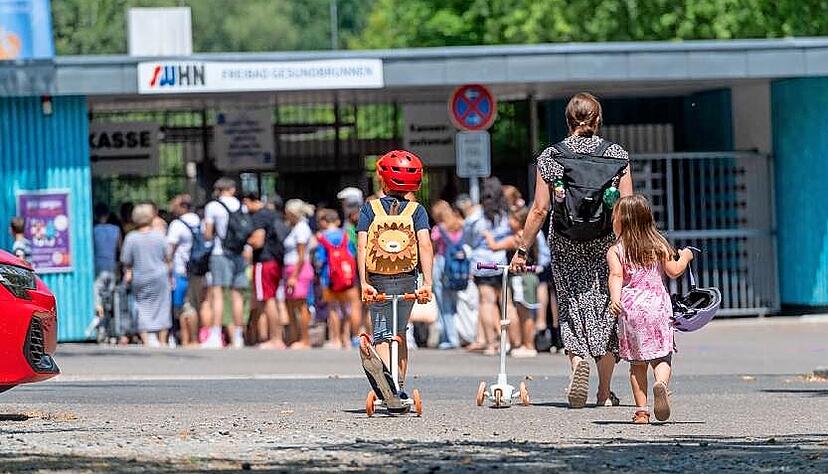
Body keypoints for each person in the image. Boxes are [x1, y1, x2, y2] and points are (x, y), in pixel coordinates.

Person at [513, 92, 633, 409]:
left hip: (565, 240)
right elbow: (626, 208)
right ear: (598, 119)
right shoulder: (617, 155)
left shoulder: (552, 156)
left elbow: (539, 209)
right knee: (606, 308)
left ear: (568, 120)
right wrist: (627, 247)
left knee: (571, 305)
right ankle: (604, 392)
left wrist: (522, 250)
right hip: (605, 242)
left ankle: (577, 360)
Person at [607, 195, 693, 424]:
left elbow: (616, 276)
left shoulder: (616, 250)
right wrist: (685, 256)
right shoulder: (659, 244)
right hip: (658, 306)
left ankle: (641, 412)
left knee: (637, 364)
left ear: (622, 221)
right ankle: (661, 385)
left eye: (614, 216)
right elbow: (674, 271)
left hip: (632, 308)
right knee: (662, 356)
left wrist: (615, 299)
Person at [358, 150, 433, 396]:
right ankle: (399, 386)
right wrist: (427, 283)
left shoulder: (370, 209)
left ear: (382, 179)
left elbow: (362, 245)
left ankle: (385, 383)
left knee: (381, 334)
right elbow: (424, 244)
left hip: (378, 278)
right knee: (400, 332)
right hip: (407, 278)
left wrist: (364, 282)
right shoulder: (417, 211)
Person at [466, 177, 516, 355]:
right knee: (506, 303)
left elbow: (468, 239)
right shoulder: (506, 214)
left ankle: (491, 343)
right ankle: (511, 341)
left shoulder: (476, 215)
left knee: (486, 303)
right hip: (501, 261)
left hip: (481, 262)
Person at [483, 206, 538, 358]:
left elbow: (494, 246)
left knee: (523, 311)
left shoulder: (519, 237)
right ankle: (524, 344)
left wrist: (487, 235)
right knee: (524, 310)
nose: (509, 221)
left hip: (522, 277)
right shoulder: (529, 236)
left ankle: (528, 345)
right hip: (527, 277)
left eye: (512, 219)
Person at [203, 178, 249, 349]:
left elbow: (207, 234)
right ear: (232, 189)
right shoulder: (240, 205)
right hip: (238, 253)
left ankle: (216, 334)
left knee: (218, 294)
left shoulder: (213, 207)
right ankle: (238, 336)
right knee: (237, 296)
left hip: (220, 252)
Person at [120, 203, 172, 347]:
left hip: (140, 276)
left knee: (141, 306)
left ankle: (147, 340)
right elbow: (168, 257)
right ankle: (162, 340)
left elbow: (126, 260)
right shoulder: (159, 236)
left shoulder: (131, 238)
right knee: (163, 306)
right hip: (160, 276)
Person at [243, 192, 289, 350]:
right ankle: (272, 336)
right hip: (275, 261)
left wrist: (244, 239)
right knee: (271, 299)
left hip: (264, 261)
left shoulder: (259, 217)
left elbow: (258, 241)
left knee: (267, 300)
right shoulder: (273, 215)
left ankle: (275, 339)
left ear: (249, 201)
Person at [315, 208, 360, 349]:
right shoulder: (345, 235)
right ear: (337, 221)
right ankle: (346, 337)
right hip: (347, 277)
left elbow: (319, 260)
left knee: (333, 308)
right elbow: (352, 254)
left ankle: (335, 339)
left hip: (329, 279)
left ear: (325, 222)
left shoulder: (322, 237)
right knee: (346, 307)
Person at [430, 200, 466, 349]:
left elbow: (431, 248)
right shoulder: (460, 225)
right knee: (456, 303)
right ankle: (459, 335)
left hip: (442, 264)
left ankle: (450, 338)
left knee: (443, 304)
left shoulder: (438, 230)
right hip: (458, 266)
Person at [166, 195, 202, 347]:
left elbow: (170, 249)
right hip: (199, 269)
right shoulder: (199, 221)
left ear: (182, 206)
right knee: (196, 303)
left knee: (184, 306)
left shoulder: (177, 224)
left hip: (181, 269)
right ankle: (196, 337)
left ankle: (188, 340)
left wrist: (168, 266)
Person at [283, 199, 316, 349]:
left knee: (301, 304)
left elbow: (301, 255)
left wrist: (294, 276)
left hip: (299, 269)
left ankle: (305, 339)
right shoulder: (295, 227)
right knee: (290, 304)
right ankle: (294, 337)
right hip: (291, 268)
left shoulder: (302, 228)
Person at [91, 204, 121, 329]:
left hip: (98, 264)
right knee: (110, 294)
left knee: (97, 293)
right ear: (108, 215)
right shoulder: (116, 229)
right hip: (112, 264)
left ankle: (100, 320)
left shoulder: (93, 230)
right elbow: (120, 249)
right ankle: (110, 324)